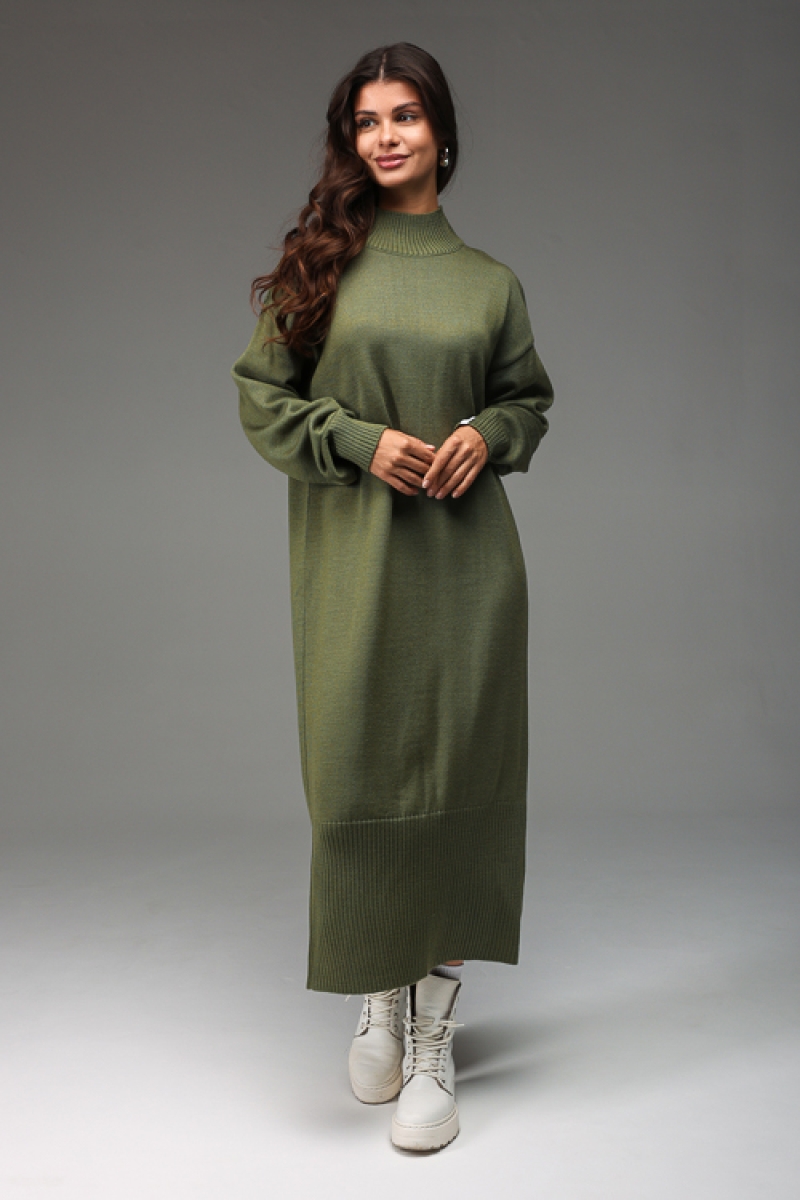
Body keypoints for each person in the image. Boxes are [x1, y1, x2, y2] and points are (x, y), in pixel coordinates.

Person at [232, 42, 553, 1152]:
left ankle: (432, 1038)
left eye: (404, 115)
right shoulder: (319, 269)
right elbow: (262, 399)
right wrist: (358, 440)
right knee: (356, 771)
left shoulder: (489, 283)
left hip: (468, 575)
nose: (385, 136)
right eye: (366, 121)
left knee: (460, 780)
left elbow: (527, 400)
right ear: (349, 141)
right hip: (352, 571)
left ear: (441, 133)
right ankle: (380, 988)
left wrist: (486, 433)